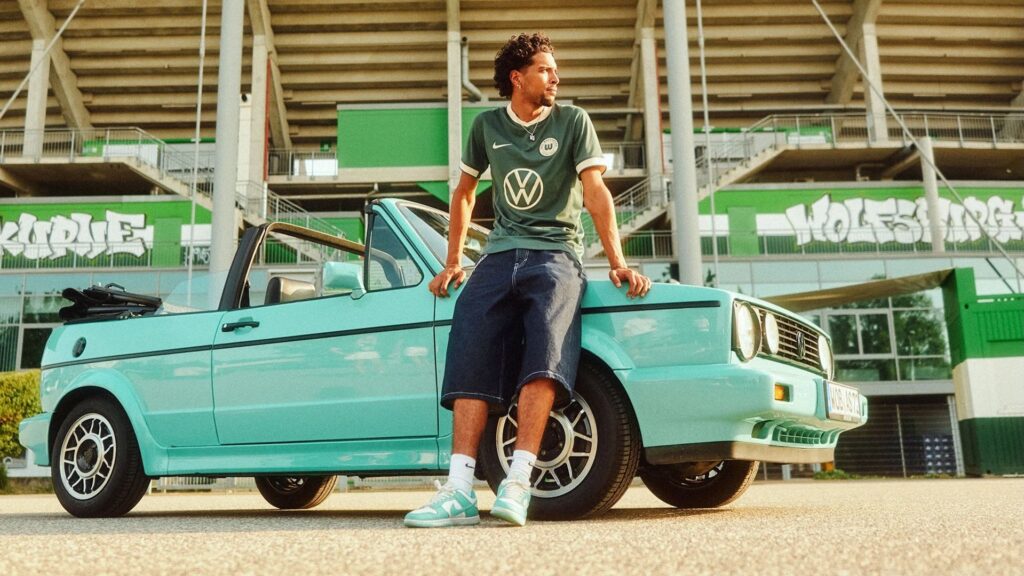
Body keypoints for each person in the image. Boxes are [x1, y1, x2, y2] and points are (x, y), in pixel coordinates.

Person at [404, 33, 651, 528]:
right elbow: (465, 193)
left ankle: (517, 483)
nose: (555, 77)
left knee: (546, 352)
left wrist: (618, 258)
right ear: (517, 77)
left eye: (555, 70)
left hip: (556, 254)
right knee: (470, 346)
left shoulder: (572, 121)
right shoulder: (487, 126)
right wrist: (454, 260)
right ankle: (458, 491)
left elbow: (595, 190)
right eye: (545, 69)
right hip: (496, 256)